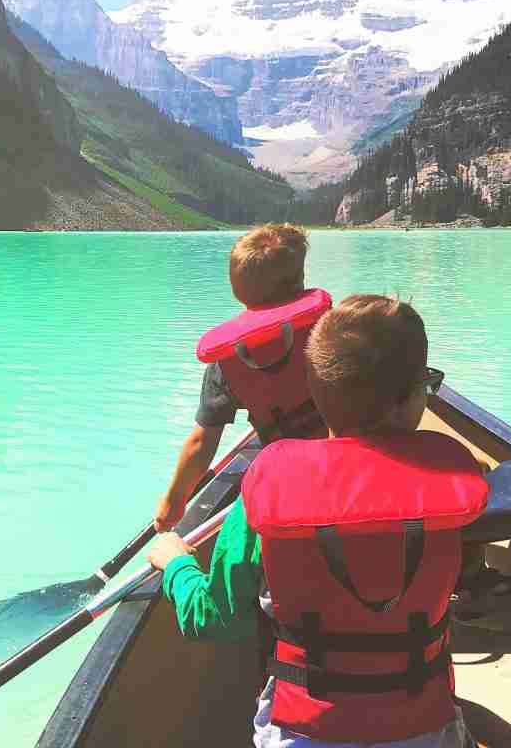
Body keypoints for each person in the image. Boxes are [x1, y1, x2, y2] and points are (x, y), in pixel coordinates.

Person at [148, 295, 489, 747]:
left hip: (306, 730)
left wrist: (176, 564)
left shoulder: (264, 495)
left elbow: (216, 620)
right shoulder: (456, 485)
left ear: (316, 391)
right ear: (411, 397)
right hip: (422, 729)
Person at [153, 224, 332, 533]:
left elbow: (201, 442)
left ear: (238, 292)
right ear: (300, 280)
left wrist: (173, 503)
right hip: (342, 457)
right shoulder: (331, 328)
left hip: (287, 471)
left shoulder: (227, 361)